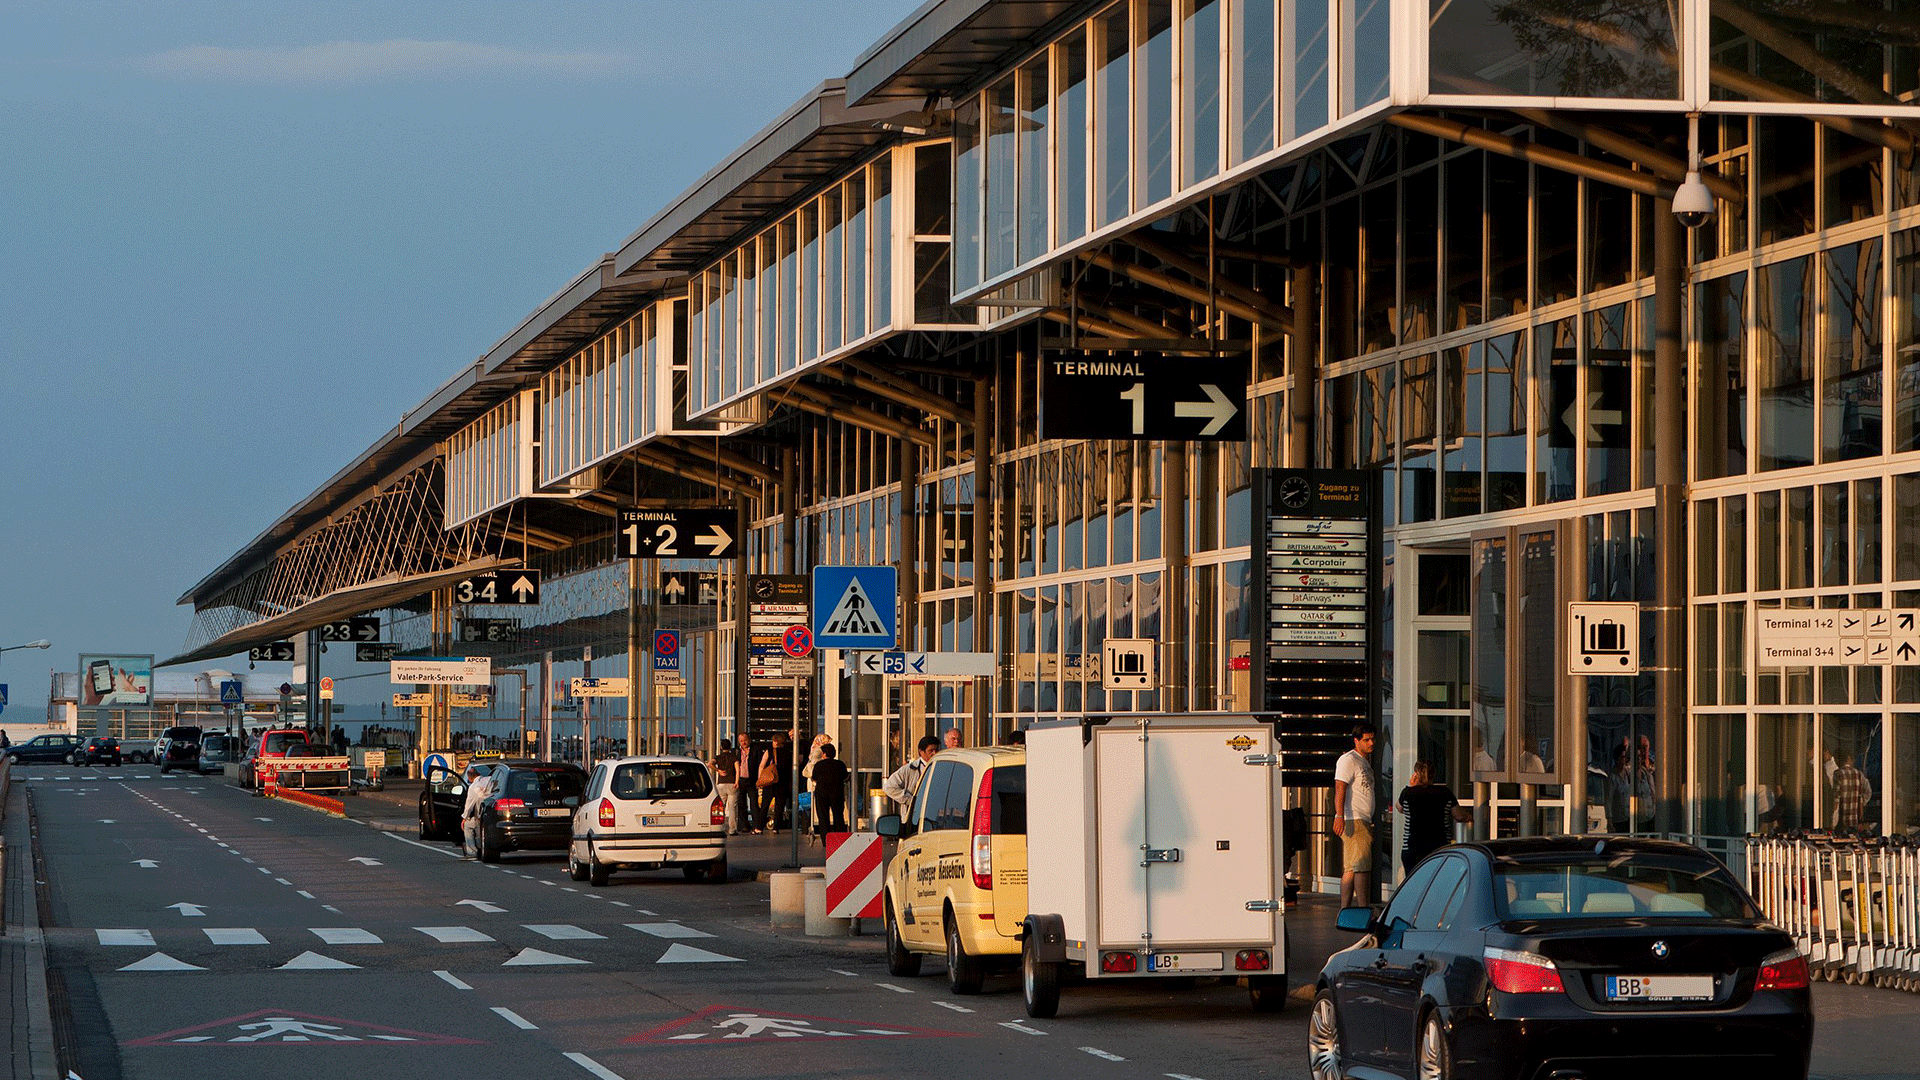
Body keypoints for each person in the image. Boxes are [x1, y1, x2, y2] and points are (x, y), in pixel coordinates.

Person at [1332, 723, 1380, 909]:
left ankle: (1345, 909)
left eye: (1372, 739)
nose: (1371, 743)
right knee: (1362, 867)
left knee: (1351, 868)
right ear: (1356, 740)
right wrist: (1339, 815)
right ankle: (1362, 908)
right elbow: (1340, 787)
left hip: (1361, 818)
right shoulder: (1349, 760)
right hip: (1355, 818)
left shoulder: (1363, 761)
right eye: (1366, 740)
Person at [1396, 760, 1471, 875]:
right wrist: (1469, 816)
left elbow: (1399, 808)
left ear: (1416, 773)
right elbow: (1459, 816)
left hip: (1413, 848)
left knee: (1415, 883)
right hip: (1439, 848)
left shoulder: (1408, 793)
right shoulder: (1444, 793)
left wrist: (1411, 786)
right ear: (1433, 774)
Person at [883, 735, 941, 816]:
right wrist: (912, 800)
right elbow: (889, 787)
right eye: (930, 750)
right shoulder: (909, 769)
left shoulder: (942, 768)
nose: (934, 753)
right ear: (921, 752)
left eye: (936, 750)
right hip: (914, 816)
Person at [809, 742, 850, 836]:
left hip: (822, 793)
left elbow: (814, 777)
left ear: (824, 754)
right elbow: (846, 777)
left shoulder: (818, 765)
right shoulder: (840, 764)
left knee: (823, 817)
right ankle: (840, 838)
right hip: (837, 792)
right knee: (838, 815)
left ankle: (825, 839)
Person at [757, 732, 793, 833]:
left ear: (776, 742)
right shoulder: (788, 752)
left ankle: (759, 827)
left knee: (765, 805)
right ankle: (776, 828)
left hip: (770, 781)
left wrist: (760, 779)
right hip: (783, 782)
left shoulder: (770, 751)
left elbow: (761, 765)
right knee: (779, 806)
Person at [460, 763, 496, 860]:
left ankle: (472, 852)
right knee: (480, 831)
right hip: (494, 812)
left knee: (468, 826)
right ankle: (482, 849)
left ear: (469, 778)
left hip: (480, 815)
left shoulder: (473, 787)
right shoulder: (489, 780)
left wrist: (464, 818)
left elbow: (469, 804)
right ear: (479, 774)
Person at [1831, 753, 1871, 832]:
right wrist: (1861, 803)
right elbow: (1868, 791)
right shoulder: (1859, 774)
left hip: (1842, 818)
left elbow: (1836, 796)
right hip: (1855, 817)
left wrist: (1832, 818)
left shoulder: (1838, 773)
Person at [711, 739, 741, 835]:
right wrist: (737, 781)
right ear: (730, 746)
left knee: (721, 807)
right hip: (732, 783)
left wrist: (718, 770)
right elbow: (737, 770)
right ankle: (732, 829)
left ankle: (720, 827)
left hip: (721, 784)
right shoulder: (734, 757)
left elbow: (709, 764)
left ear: (721, 747)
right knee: (732, 808)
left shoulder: (718, 757)